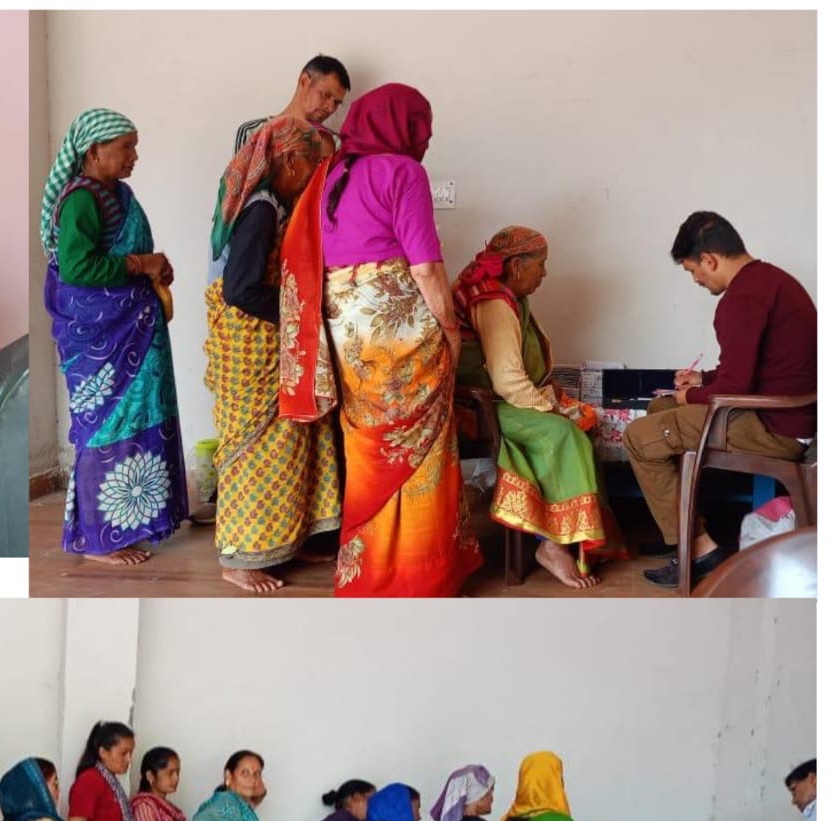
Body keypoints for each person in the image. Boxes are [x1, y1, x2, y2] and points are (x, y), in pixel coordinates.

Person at [287, 82, 482, 596]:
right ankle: (422, 572)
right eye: (422, 129)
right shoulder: (403, 171)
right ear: (403, 127)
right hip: (401, 332)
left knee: (369, 442)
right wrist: (451, 328)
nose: (426, 140)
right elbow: (426, 269)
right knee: (423, 447)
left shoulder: (330, 174)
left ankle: (369, 570)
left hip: (348, 333)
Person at [625, 212, 817, 586]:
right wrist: (702, 380)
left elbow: (737, 385)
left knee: (639, 437)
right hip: (788, 415)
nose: (696, 280)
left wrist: (691, 395)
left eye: (692, 271)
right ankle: (679, 528)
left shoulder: (742, 298)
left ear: (709, 260)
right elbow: (751, 368)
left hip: (774, 427)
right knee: (659, 409)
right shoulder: (769, 281)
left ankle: (699, 549)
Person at [42, 108, 189, 565]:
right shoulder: (81, 201)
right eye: (126, 147)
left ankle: (140, 520)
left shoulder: (119, 195)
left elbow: (125, 254)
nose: (134, 156)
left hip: (134, 331)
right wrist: (140, 265)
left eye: (135, 147)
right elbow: (76, 269)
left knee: (144, 412)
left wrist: (154, 268)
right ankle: (98, 538)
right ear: (94, 151)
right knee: (106, 425)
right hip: (102, 340)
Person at [205, 116, 341, 593]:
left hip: (269, 338)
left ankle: (288, 540)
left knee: (290, 441)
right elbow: (240, 290)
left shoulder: (277, 206)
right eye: (314, 164)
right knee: (252, 451)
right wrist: (301, 312)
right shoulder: (261, 210)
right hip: (250, 344)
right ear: (289, 159)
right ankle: (238, 558)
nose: (316, 174)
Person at [453, 226, 624, 588]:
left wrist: (551, 396)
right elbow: (508, 382)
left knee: (581, 425)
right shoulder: (493, 301)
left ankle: (574, 539)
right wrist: (552, 408)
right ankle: (551, 546)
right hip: (480, 407)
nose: (544, 273)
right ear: (516, 266)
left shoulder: (509, 294)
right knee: (562, 433)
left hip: (503, 399)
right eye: (540, 264)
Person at [214, 54, 350, 258]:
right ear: (304, 81)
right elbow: (238, 194)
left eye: (337, 103)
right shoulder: (255, 132)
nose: (330, 107)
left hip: (306, 249)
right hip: (253, 244)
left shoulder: (335, 143)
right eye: (326, 95)